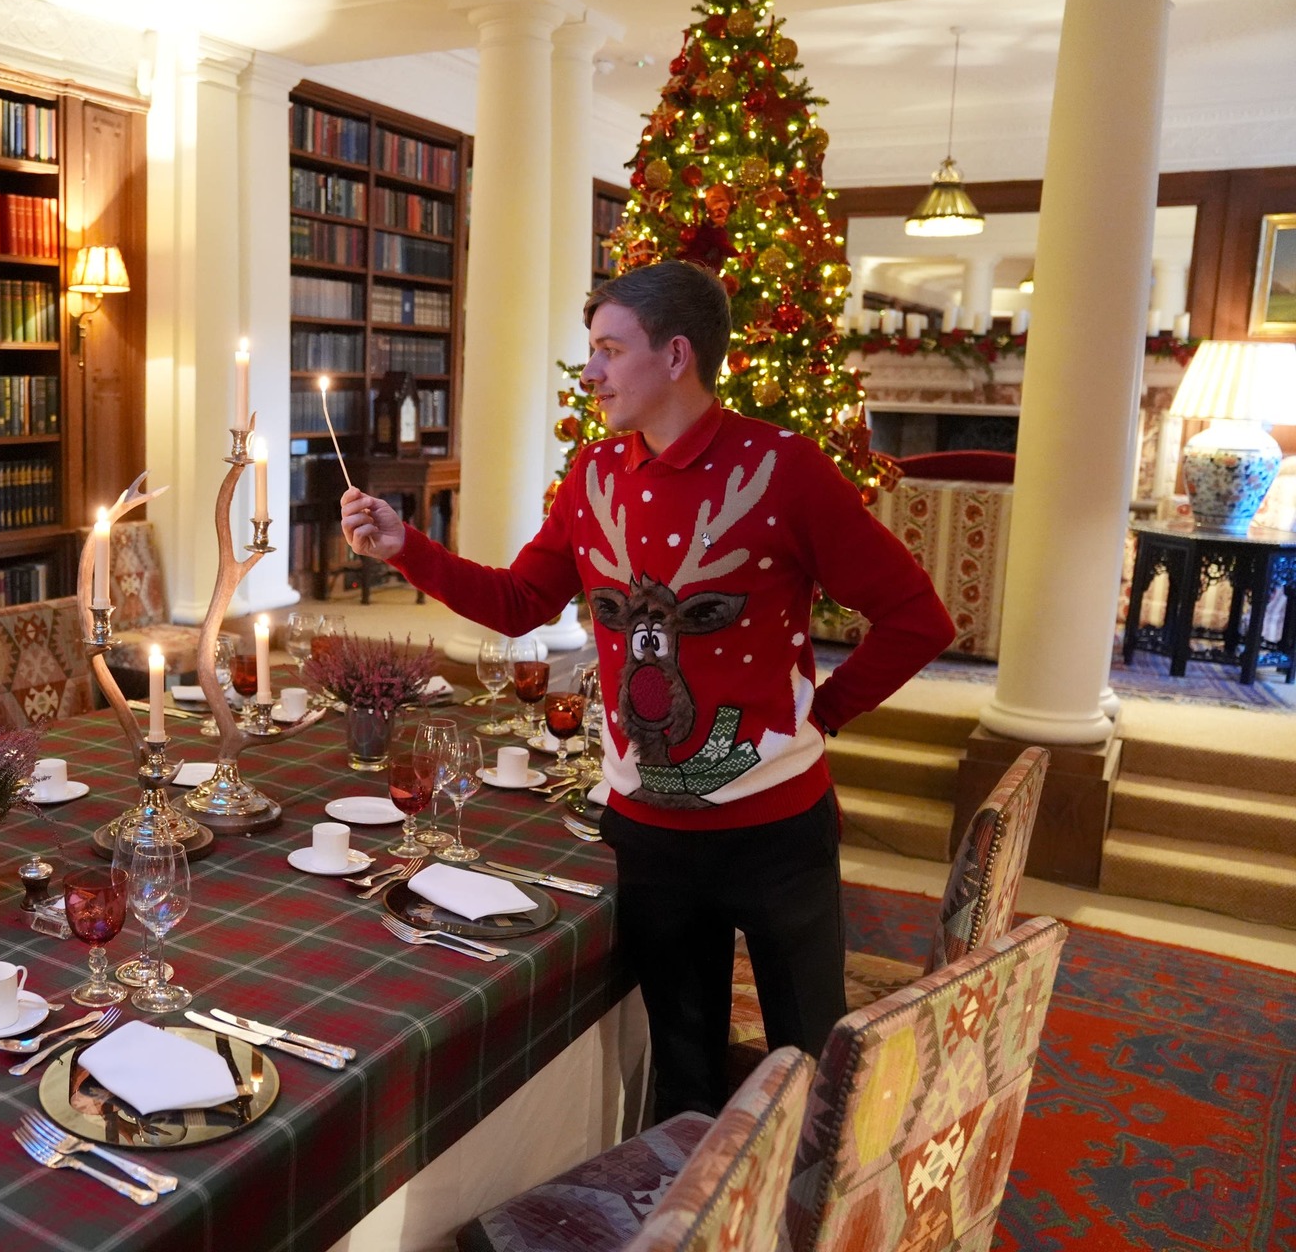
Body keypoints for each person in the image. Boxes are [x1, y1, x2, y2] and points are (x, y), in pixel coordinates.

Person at [340, 260, 954, 1118]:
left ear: (675, 356)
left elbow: (919, 619)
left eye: (607, 349)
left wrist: (825, 714)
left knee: (811, 1073)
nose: (589, 371)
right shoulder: (591, 476)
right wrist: (409, 546)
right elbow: (521, 600)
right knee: (683, 1072)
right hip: (650, 836)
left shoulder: (787, 469)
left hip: (778, 833)